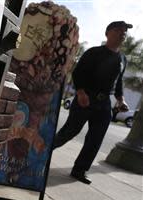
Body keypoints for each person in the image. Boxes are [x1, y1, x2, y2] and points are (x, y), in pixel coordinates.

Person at [53, 21, 131, 184]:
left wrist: (120, 100)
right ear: (108, 33)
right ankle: (43, 152)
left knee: (95, 139)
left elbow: (119, 83)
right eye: (118, 30)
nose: (122, 33)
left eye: (125, 32)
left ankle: (79, 170)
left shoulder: (122, 59)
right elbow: (78, 73)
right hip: (86, 98)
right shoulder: (94, 53)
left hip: (104, 105)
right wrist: (80, 92)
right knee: (69, 131)